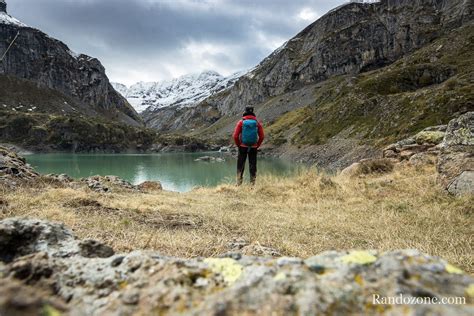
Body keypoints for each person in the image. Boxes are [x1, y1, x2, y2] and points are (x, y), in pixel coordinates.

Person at [232, 106, 265, 185]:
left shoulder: (241, 122)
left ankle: (239, 183)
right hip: (253, 147)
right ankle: (252, 184)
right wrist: (257, 145)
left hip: (243, 147)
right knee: (253, 165)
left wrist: (239, 145)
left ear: (245, 111)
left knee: (240, 164)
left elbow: (235, 136)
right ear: (253, 111)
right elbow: (262, 136)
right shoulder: (257, 123)